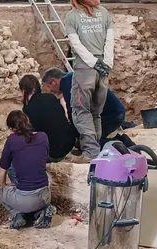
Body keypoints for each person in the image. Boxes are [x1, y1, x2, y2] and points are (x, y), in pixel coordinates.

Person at [63, 0, 114, 159]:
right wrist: (106, 63)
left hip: (85, 69)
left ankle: (91, 152)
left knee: (81, 109)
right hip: (103, 69)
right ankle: (96, 149)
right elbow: (110, 41)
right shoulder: (104, 13)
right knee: (96, 112)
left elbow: (76, 45)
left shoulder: (71, 17)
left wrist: (93, 63)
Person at [41, 67, 126, 154]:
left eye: (48, 86)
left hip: (111, 115)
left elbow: (75, 110)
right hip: (114, 111)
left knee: (93, 142)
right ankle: (120, 141)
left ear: (54, 82)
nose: (50, 90)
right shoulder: (72, 77)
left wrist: (70, 130)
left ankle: (122, 146)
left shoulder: (68, 84)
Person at [0, 111, 53, 230]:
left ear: (11, 128)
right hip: (46, 195)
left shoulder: (12, 140)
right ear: (28, 121)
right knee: (29, 200)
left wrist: (4, 186)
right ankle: (42, 211)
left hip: (25, 200)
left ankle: (17, 215)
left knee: (0, 193)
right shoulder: (43, 136)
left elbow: (3, 171)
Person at [19, 74, 76, 162]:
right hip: (69, 144)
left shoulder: (28, 109)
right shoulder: (51, 97)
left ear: (23, 91)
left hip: (53, 153)